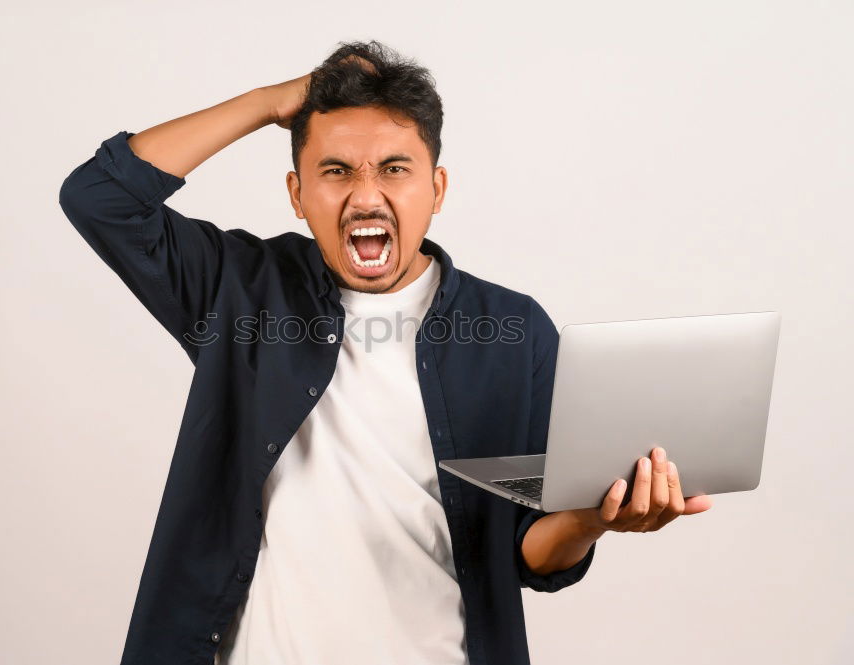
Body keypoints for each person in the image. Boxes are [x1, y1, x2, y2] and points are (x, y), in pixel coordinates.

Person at [58, 39, 712, 665]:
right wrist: (272, 100)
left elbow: (527, 555)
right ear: (297, 193)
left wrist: (594, 518)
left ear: (437, 187)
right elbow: (101, 198)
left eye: (394, 169)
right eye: (335, 170)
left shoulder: (515, 331)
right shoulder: (239, 293)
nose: (365, 196)